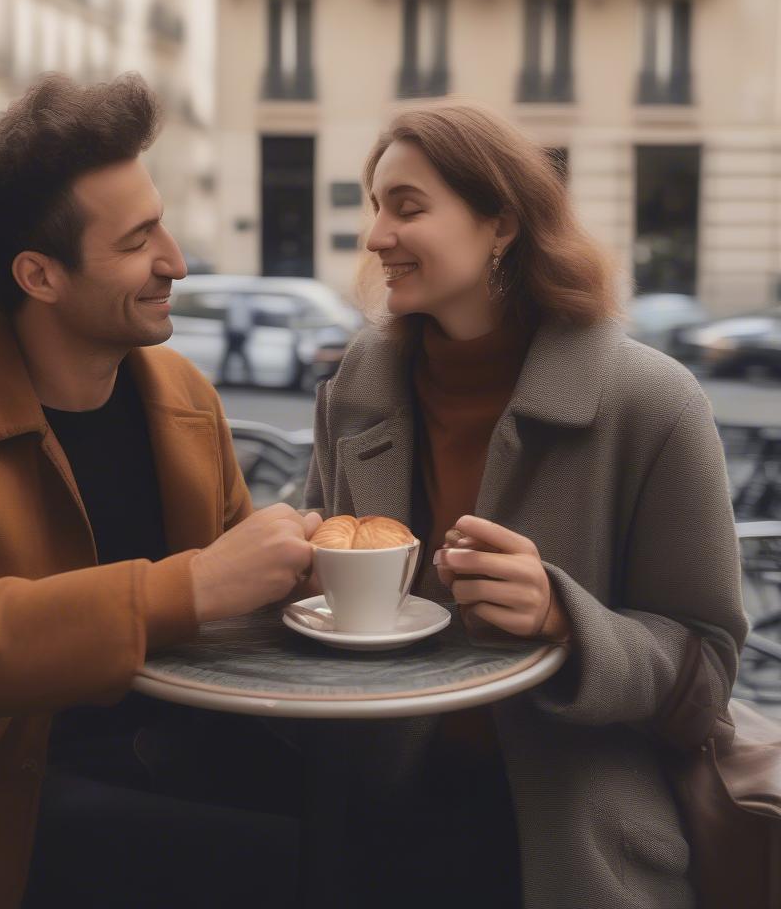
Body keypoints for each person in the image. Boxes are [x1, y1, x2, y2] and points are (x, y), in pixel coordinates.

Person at [0, 73, 320, 909]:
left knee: (388, 824)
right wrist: (193, 585)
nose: (175, 261)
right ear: (39, 275)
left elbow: (243, 619)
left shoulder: (182, 394)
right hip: (12, 807)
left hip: (189, 761)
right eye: (140, 241)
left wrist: (306, 581)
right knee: (295, 861)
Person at [304, 98, 748, 908]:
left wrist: (562, 619)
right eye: (376, 208)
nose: (376, 237)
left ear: (500, 223)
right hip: (368, 821)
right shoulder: (355, 393)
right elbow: (321, 601)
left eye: (409, 208)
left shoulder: (652, 402)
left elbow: (705, 672)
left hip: (564, 844)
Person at [220, 291, 255, 385]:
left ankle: (223, 376)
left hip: (235, 332)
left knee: (230, 356)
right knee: (241, 356)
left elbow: (227, 319)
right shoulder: (248, 304)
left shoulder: (233, 303)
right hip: (238, 333)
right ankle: (249, 377)